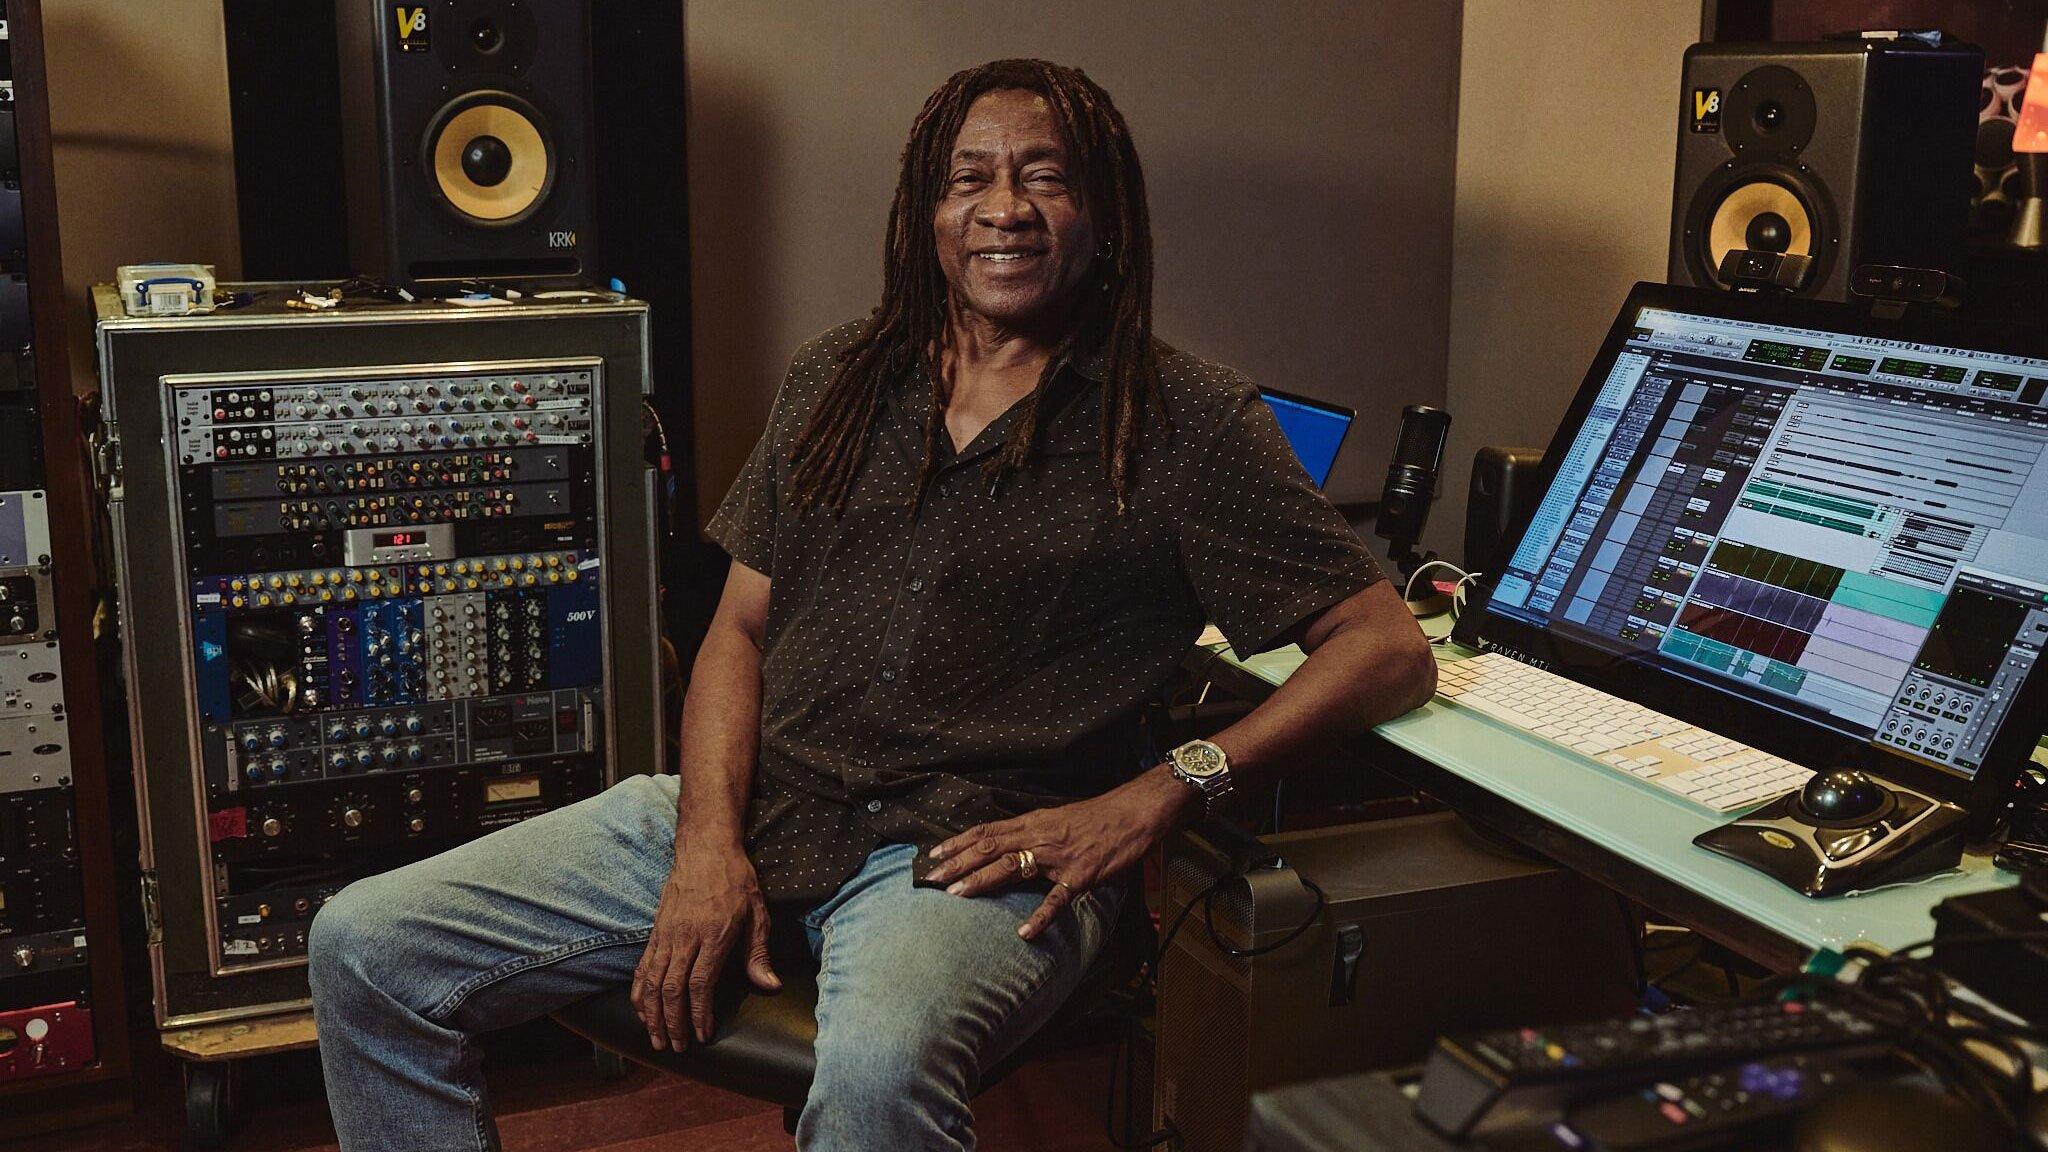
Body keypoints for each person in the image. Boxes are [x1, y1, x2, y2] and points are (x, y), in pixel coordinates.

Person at [308, 57, 1435, 1151]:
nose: (1006, 209)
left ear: (1101, 213)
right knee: (365, 946)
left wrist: (1160, 793)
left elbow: (1386, 647)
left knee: (874, 1070)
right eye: (969, 179)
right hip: (767, 803)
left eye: (1045, 177)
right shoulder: (838, 376)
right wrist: (706, 839)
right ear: (925, 213)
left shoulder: (1184, 420)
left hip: (975, 850)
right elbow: (737, 631)